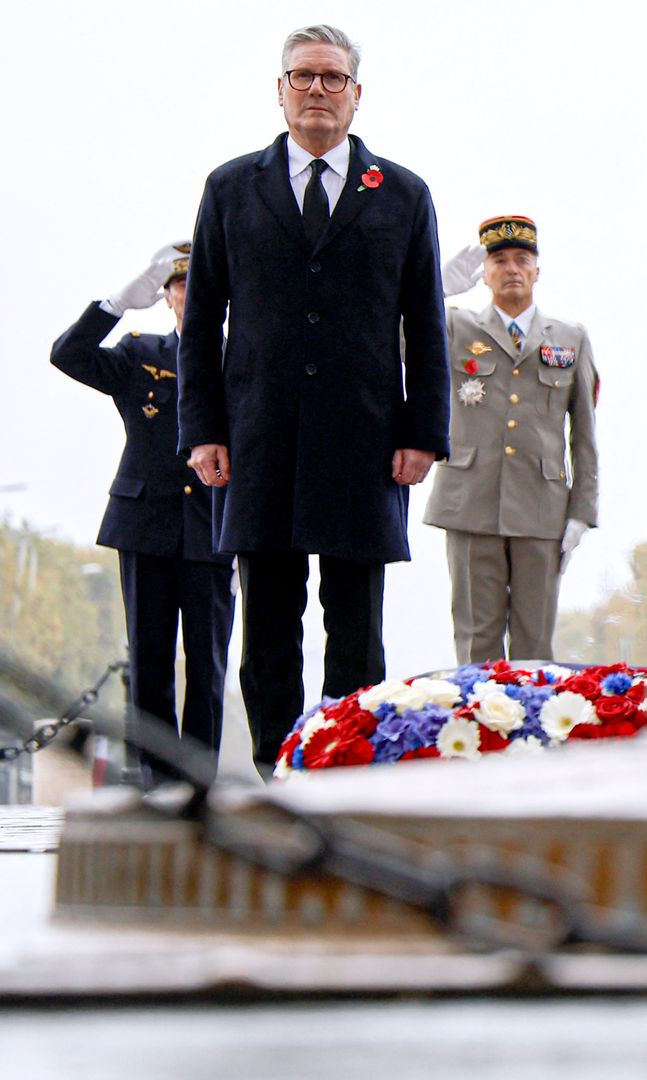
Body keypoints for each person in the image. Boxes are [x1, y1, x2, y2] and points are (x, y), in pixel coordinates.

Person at [177, 24, 449, 777]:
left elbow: (424, 321)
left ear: (357, 95)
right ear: (280, 89)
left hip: (364, 438)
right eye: (303, 77)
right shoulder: (231, 188)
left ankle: (348, 766)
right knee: (267, 620)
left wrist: (424, 430)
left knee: (356, 621)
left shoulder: (402, 193)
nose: (318, 91)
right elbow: (201, 322)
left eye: (333, 79)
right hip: (257, 435)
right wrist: (202, 430)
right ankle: (275, 768)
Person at [50, 242, 234, 783]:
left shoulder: (242, 360)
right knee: (149, 661)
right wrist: (116, 302)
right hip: (145, 521)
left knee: (207, 665)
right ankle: (151, 779)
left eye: (200, 287)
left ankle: (199, 782)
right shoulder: (141, 352)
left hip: (214, 525)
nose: (189, 296)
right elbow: (68, 354)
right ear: (167, 297)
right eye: (179, 286)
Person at [429, 217, 598, 662]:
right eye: (498, 260)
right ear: (483, 272)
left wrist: (581, 512)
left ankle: (532, 735)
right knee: (475, 644)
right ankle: (477, 732)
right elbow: (391, 341)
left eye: (522, 260)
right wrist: (431, 290)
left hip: (541, 507)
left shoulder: (569, 337)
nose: (511, 269)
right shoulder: (453, 327)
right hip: (470, 501)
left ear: (537, 270)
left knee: (534, 645)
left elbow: (584, 434)